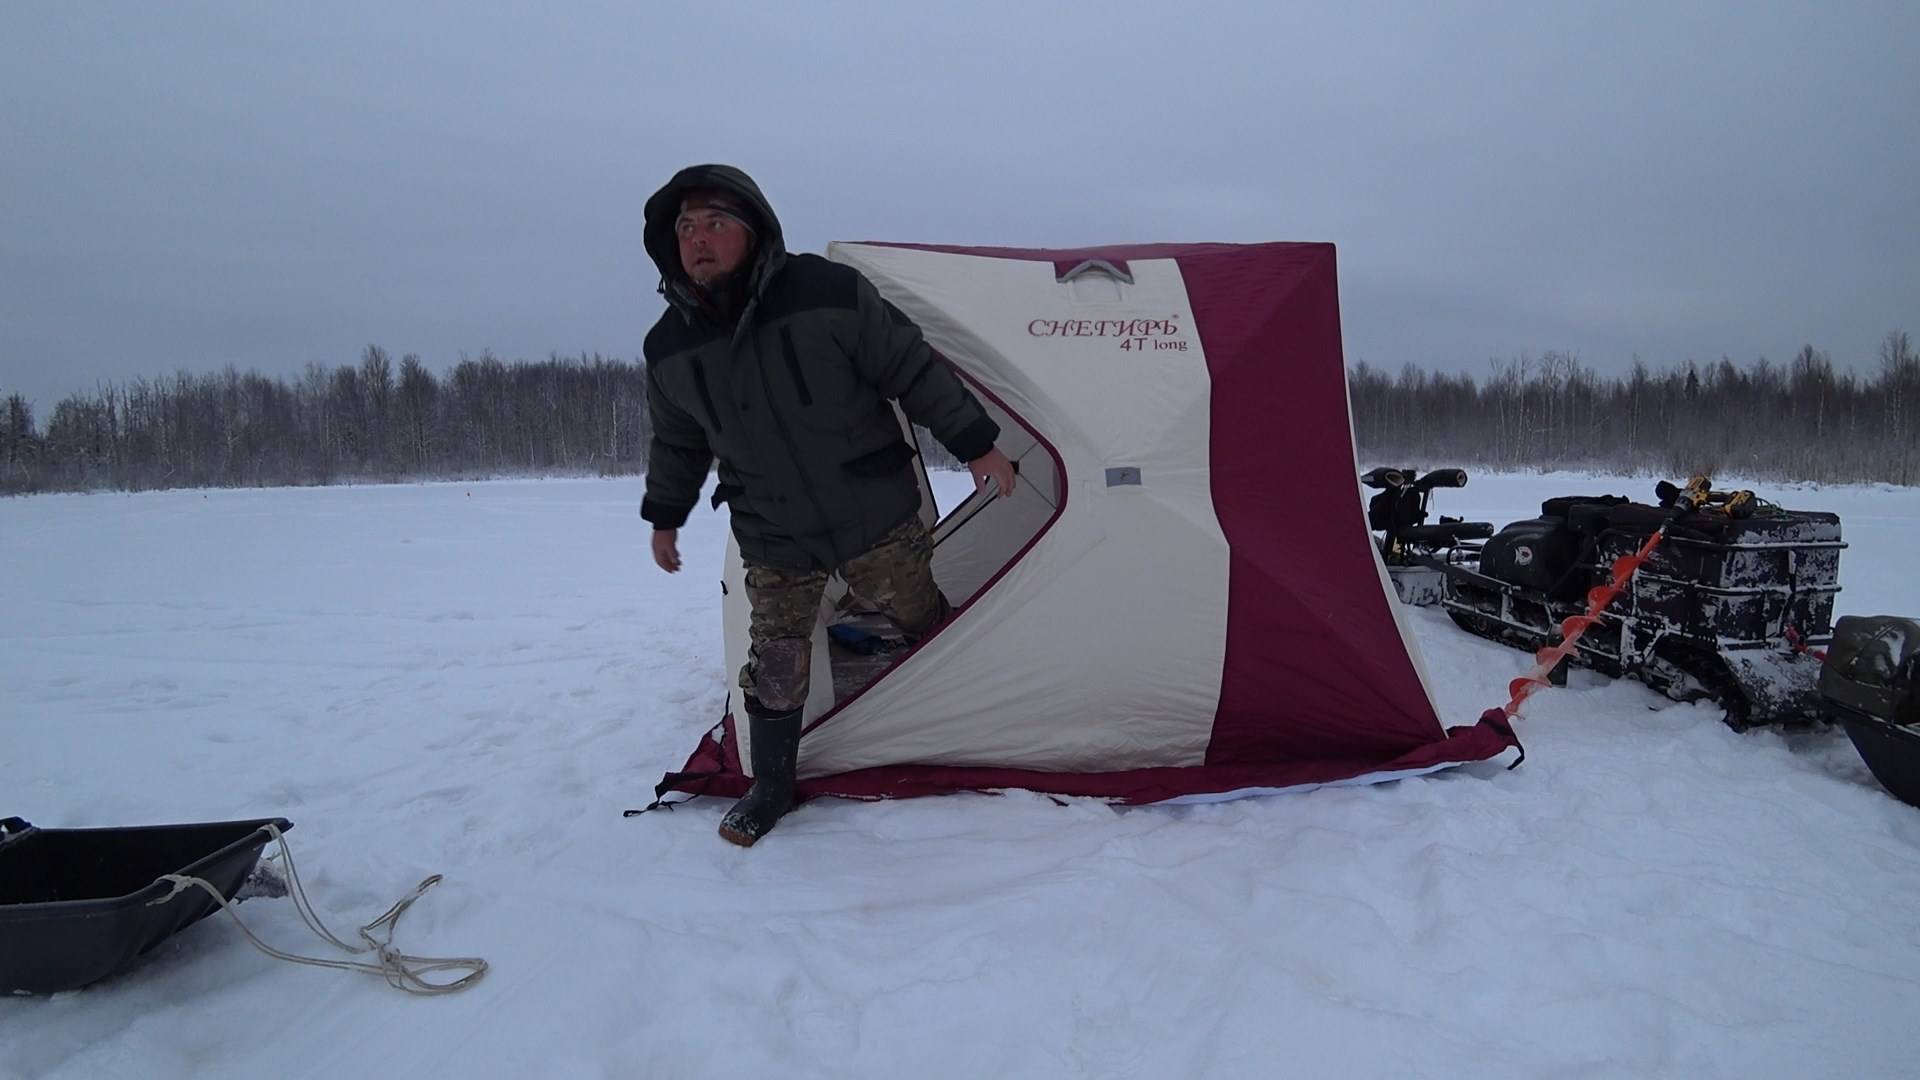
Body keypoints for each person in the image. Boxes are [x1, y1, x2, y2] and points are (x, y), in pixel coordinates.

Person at [639, 164, 1016, 847]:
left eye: (716, 222)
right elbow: (677, 442)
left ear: (754, 232)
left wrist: (976, 444)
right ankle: (773, 786)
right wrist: (665, 517)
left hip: (872, 511)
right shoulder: (670, 346)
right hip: (773, 529)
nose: (698, 239)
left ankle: (963, 709)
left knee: (916, 614)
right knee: (777, 662)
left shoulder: (827, 292)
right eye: (686, 228)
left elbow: (911, 367)